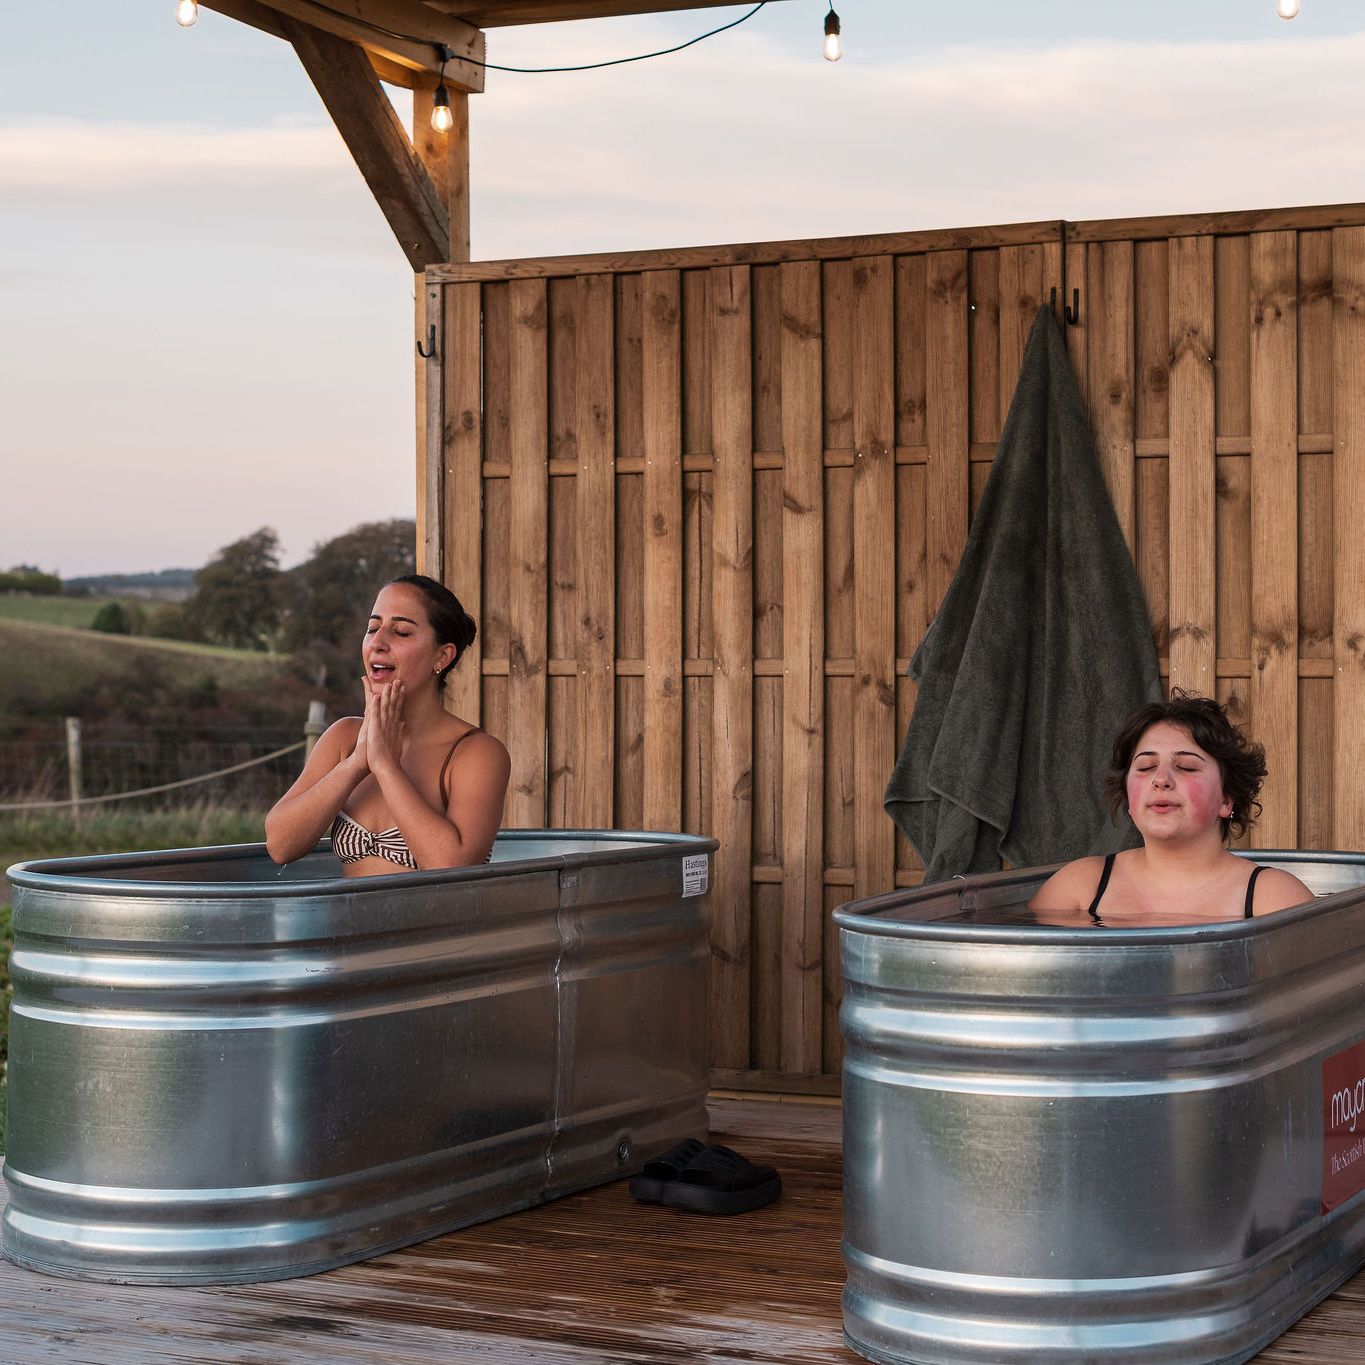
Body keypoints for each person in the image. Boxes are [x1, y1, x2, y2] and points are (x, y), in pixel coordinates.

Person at [266, 574, 510, 874]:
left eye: (401, 632)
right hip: (348, 923)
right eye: (372, 628)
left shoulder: (477, 753)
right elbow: (280, 846)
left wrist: (385, 766)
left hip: (439, 923)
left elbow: (451, 869)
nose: (378, 643)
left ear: (442, 656)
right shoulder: (345, 737)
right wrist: (357, 763)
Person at [1029, 692, 1313, 924]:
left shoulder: (1274, 898)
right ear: (1129, 799)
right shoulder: (1078, 888)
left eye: (1187, 767)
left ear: (1227, 800)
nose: (1161, 779)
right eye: (1146, 766)